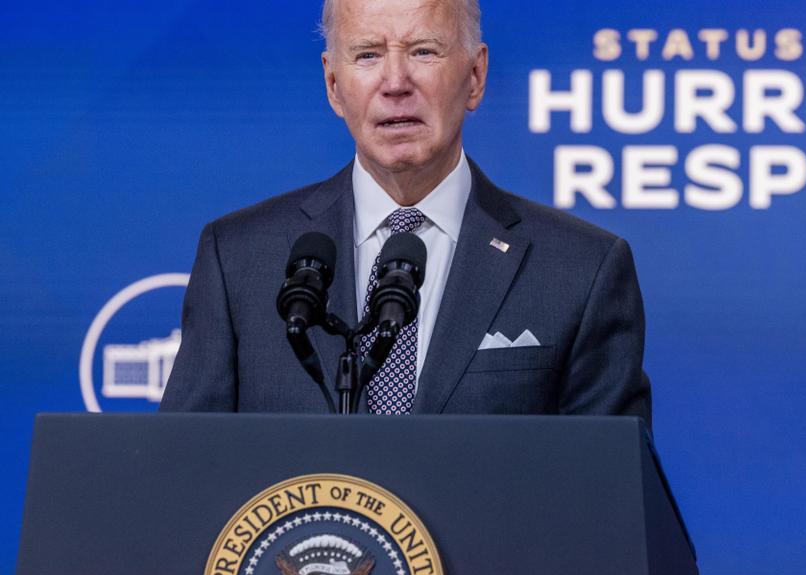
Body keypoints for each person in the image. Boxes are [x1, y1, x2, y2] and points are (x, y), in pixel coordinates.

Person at [159, 0, 651, 425]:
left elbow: (610, 501)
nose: (396, 82)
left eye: (423, 51)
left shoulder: (580, 270)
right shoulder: (239, 259)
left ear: (475, 76)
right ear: (333, 84)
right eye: (368, 55)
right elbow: (186, 477)